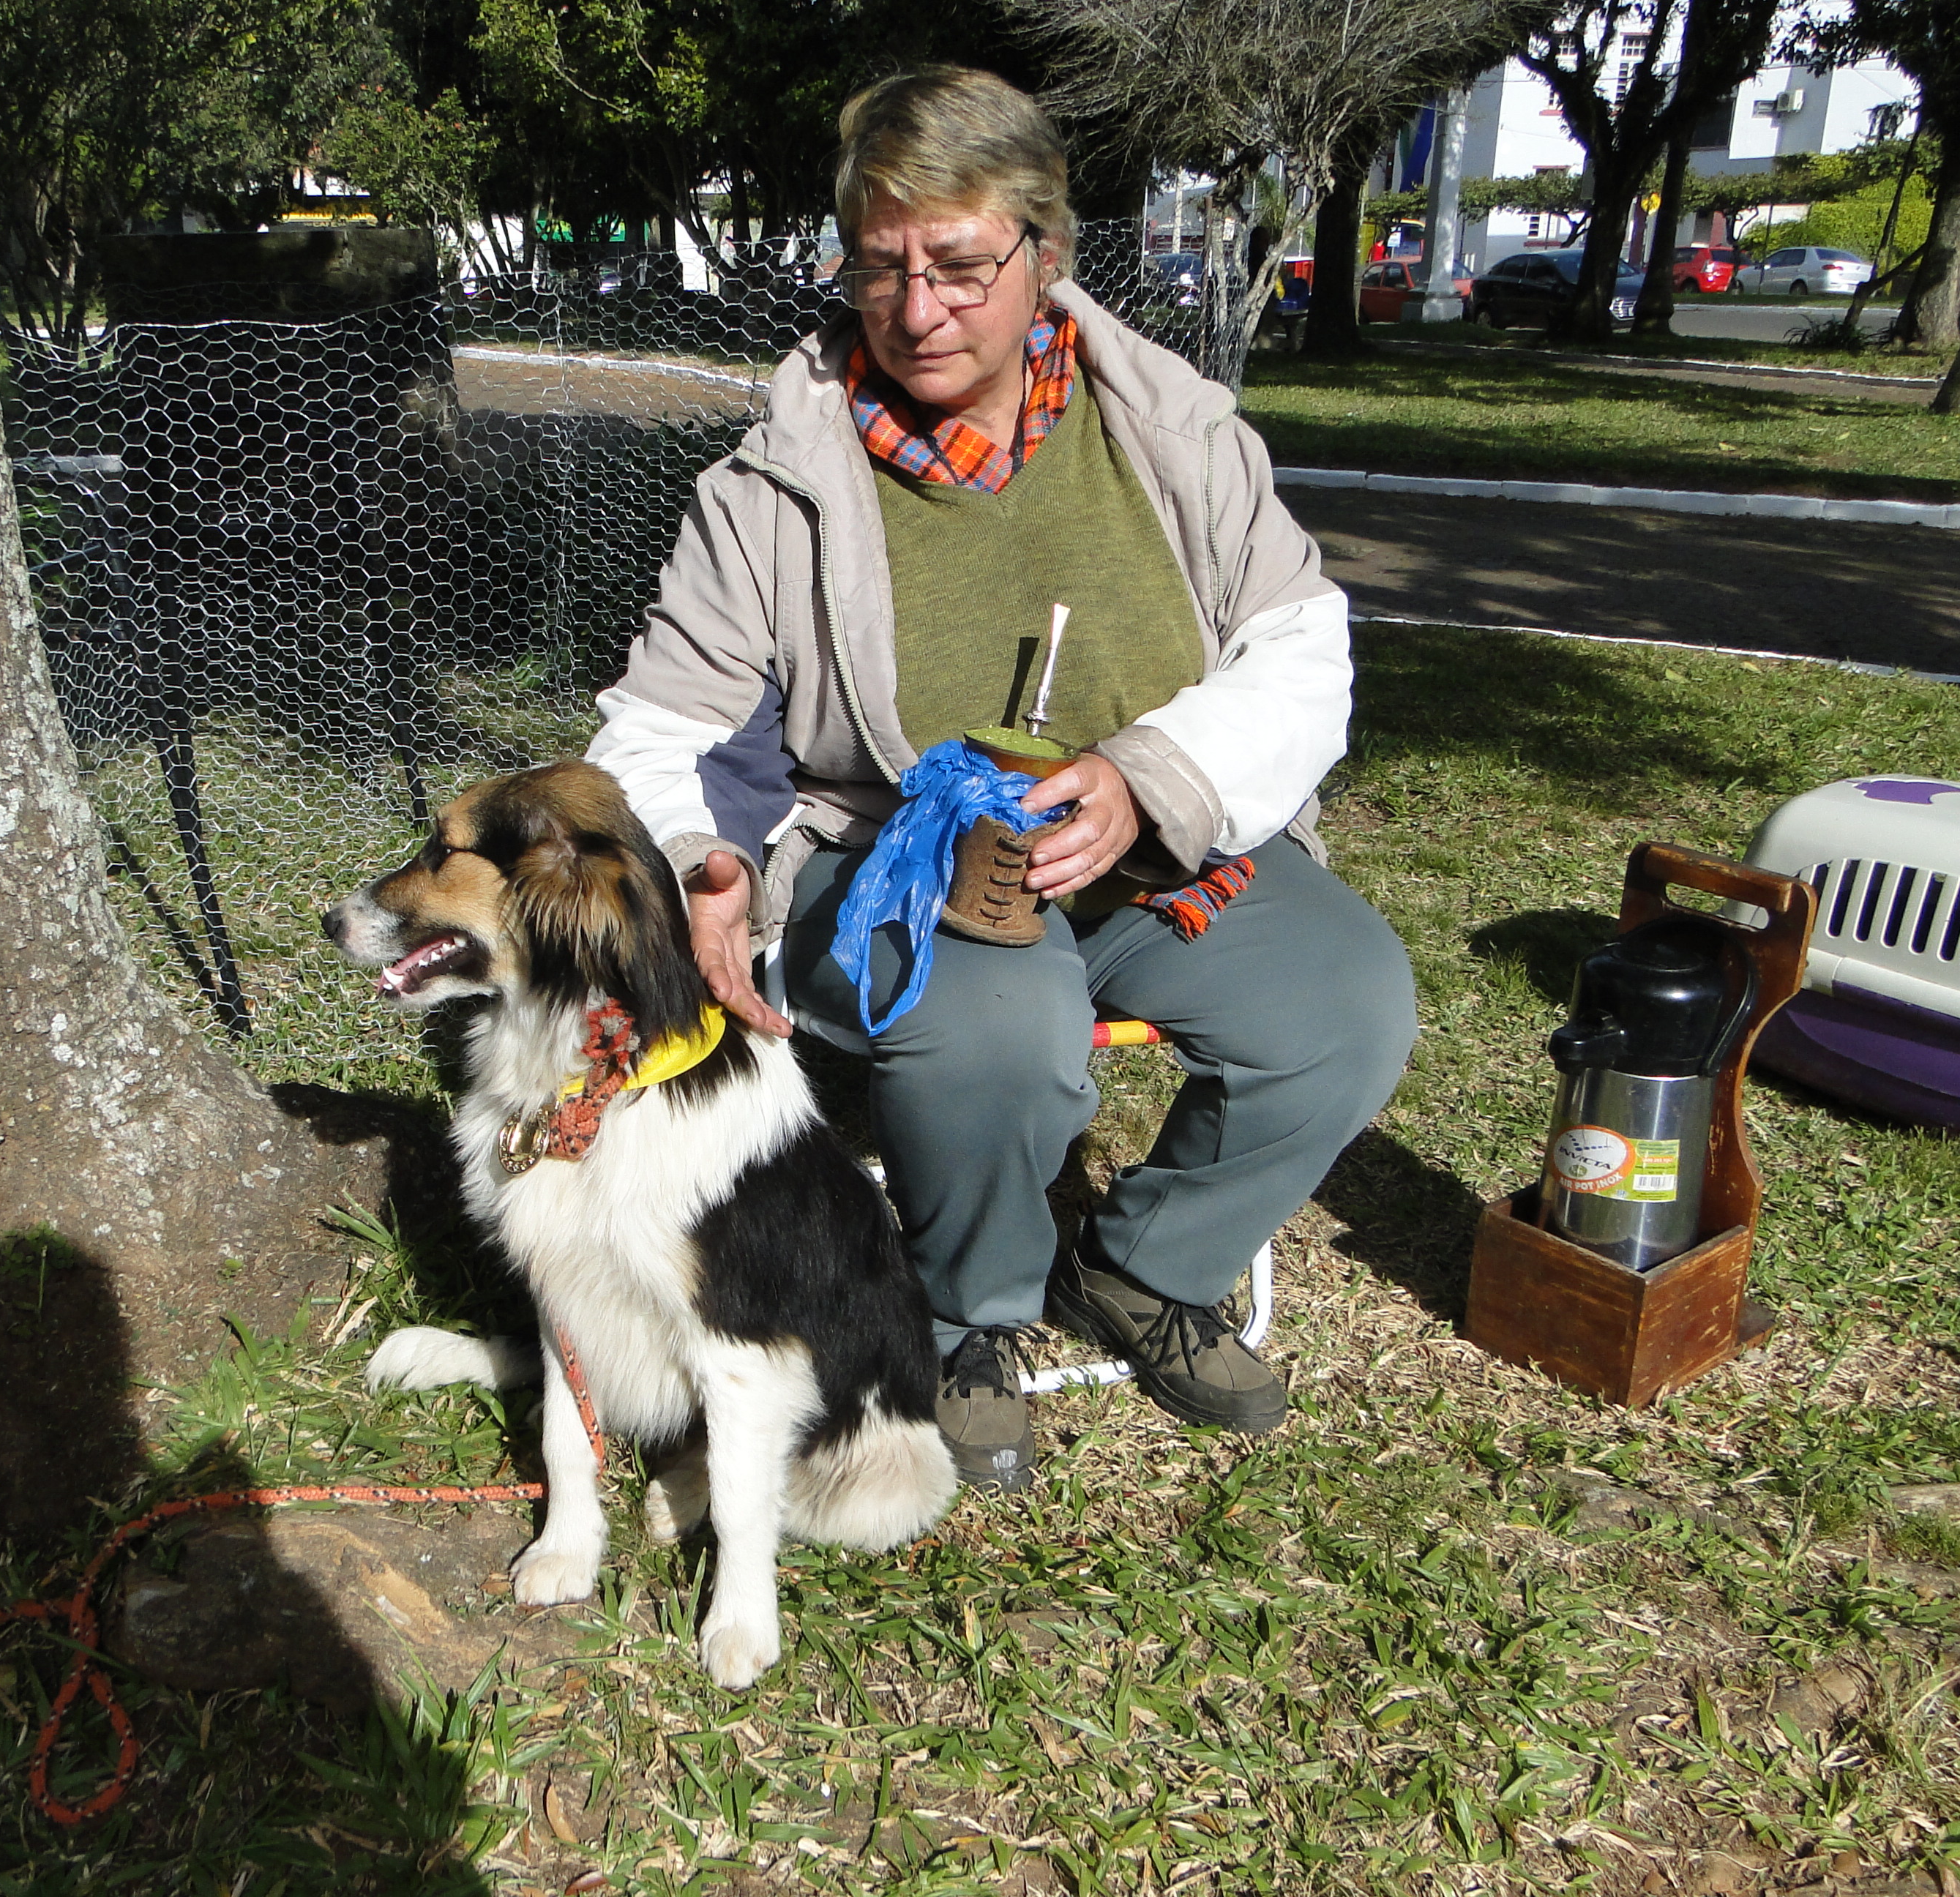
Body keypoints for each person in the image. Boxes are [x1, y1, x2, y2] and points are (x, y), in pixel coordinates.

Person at [583, 66, 1418, 1491]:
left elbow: (1300, 644)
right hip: (885, 863)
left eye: (961, 266)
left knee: (1345, 1001)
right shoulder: (769, 489)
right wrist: (699, 862)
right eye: (881, 267)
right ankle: (965, 1313)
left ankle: (1150, 1267)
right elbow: (664, 730)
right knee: (996, 1024)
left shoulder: (1176, 435)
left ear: (1046, 252)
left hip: (1152, 850)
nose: (918, 311)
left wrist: (1151, 779)